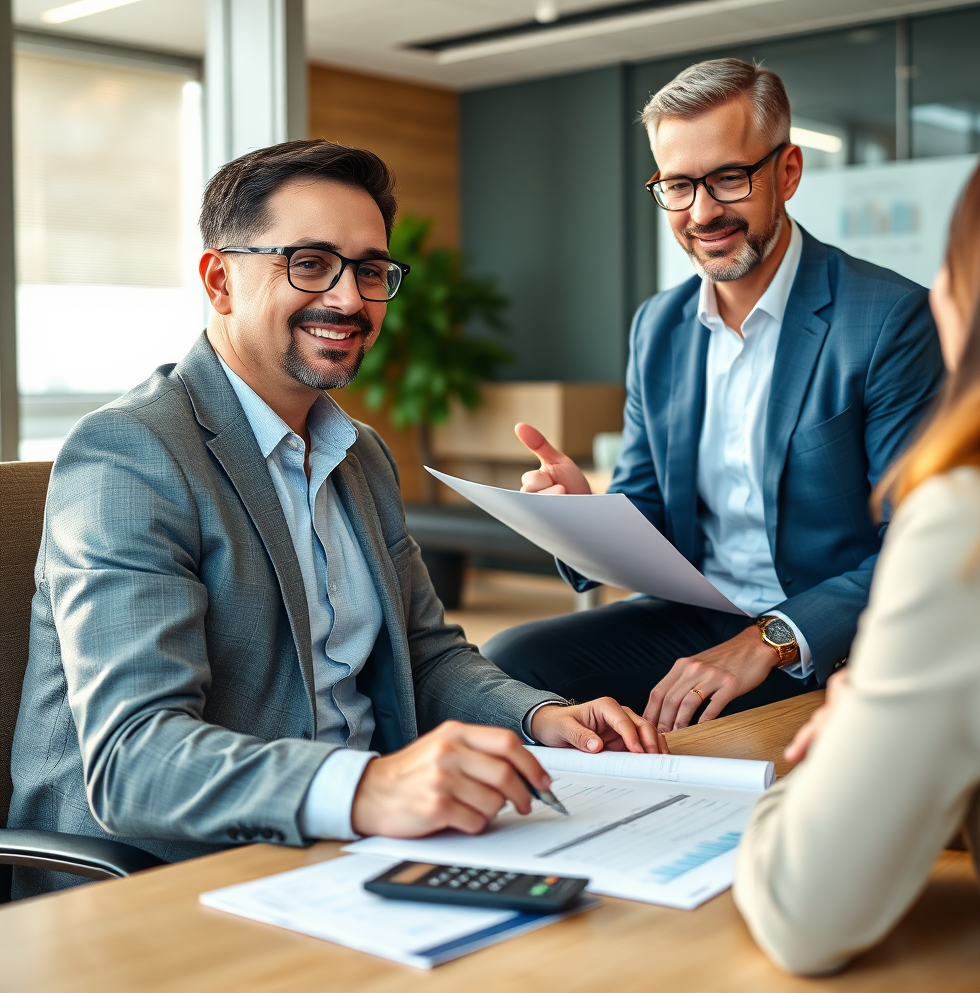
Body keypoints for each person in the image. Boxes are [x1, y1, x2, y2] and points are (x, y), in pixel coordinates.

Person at [7, 140, 658, 899]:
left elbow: (424, 654)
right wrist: (364, 788)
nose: (350, 300)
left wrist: (543, 716)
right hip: (165, 876)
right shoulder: (132, 453)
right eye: (309, 263)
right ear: (220, 280)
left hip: (343, 847)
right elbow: (133, 760)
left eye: (371, 271)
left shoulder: (361, 454)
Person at [483, 58, 943, 732]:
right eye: (677, 185)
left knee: (707, 718)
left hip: (830, 632)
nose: (702, 212)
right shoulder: (659, 326)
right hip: (698, 615)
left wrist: (768, 640)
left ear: (787, 172)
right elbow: (648, 507)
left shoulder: (888, 319)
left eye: (729, 177)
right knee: (510, 663)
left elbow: (919, 542)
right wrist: (582, 519)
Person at [733, 125, 980, 974]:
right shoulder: (660, 325)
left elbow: (806, 910)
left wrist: (856, 732)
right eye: (675, 183)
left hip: (805, 628)